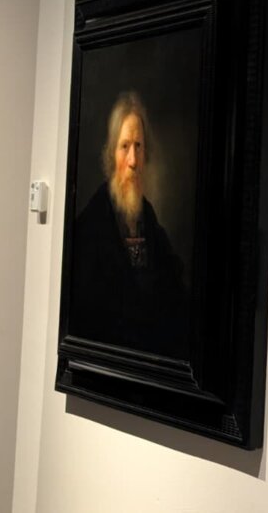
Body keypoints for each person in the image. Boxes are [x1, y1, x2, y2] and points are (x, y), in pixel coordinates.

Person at [72, 91, 186, 356]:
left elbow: (174, 288)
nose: (133, 161)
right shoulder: (92, 223)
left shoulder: (149, 217)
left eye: (138, 146)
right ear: (112, 154)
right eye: (125, 147)